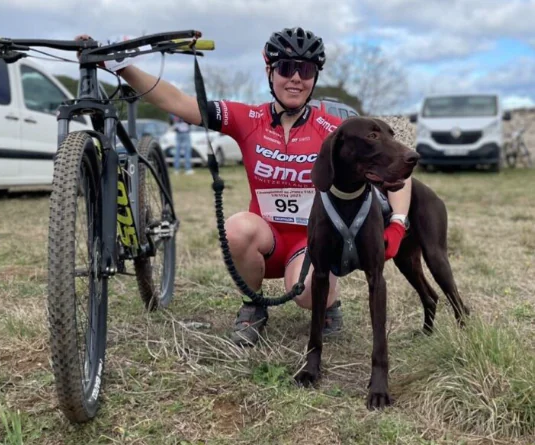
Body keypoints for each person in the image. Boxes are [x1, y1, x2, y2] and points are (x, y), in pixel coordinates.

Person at [76, 27, 412, 346]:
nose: (295, 77)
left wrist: (397, 223)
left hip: (311, 241)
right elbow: (179, 102)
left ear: (315, 77)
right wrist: (122, 68)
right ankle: (253, 307)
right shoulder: (248, 118)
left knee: (309, 292)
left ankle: (328, 305)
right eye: (286, 67)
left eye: (306, 70)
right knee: (236, 228)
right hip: (266, 235)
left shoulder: (334, 129)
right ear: (270, 70)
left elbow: (397, 169)